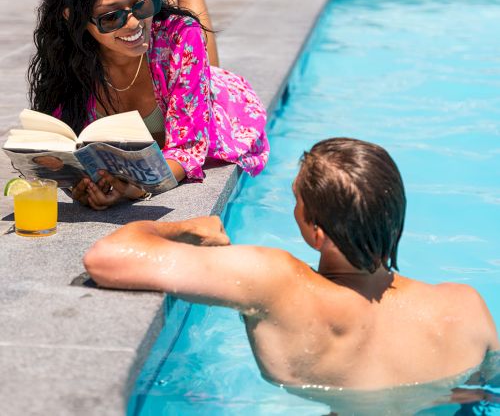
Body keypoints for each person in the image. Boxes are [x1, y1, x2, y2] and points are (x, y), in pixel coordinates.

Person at [84, 137, 499, 392]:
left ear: (316, 232)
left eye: (297, 201)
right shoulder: (464, 307)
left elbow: (107, 258)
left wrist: (191, 228)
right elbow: (484, 393)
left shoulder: (275, 282)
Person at [27, 0, 269, 210]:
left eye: (142, 2)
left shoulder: (177, 36)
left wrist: (136, 188)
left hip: (214, 104)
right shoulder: (71, 59)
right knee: (176, 34)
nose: (132, 23)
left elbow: (189, 148)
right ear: (73, 18)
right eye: (110, 16)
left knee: (190, 33)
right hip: (169, 69)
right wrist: (81, 184)